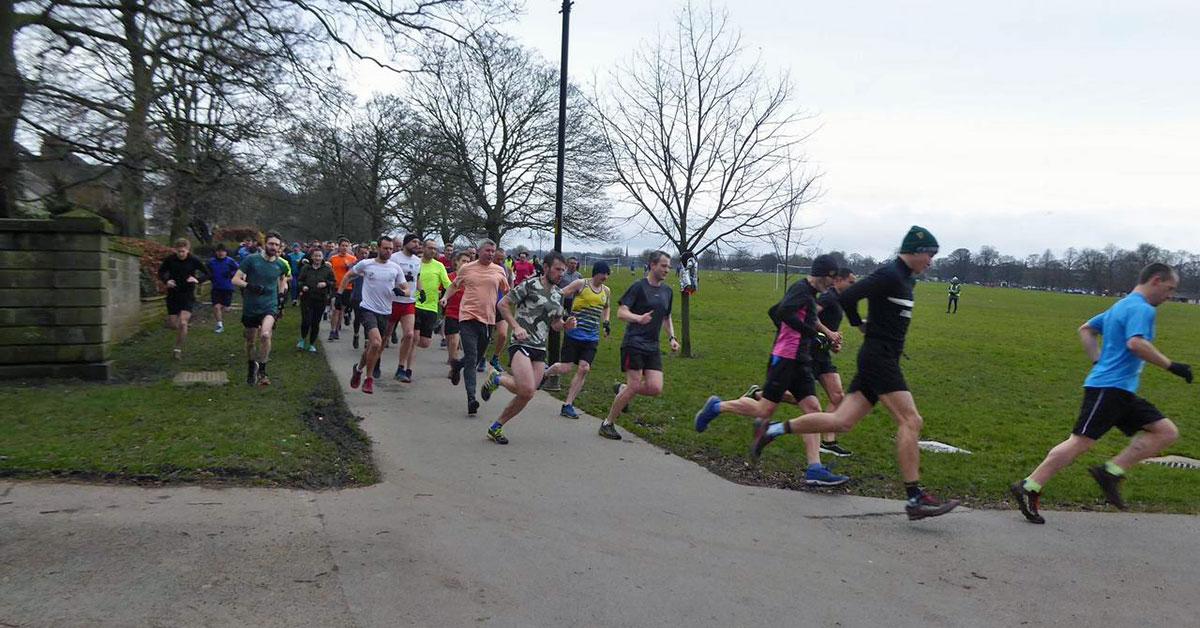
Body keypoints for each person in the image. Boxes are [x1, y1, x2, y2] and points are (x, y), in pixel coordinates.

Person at [749, 226, 960, 521]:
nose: (932, 261)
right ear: (913, 250)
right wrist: (859, 324)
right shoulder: (889, 274)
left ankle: (774, 430)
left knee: (841, 421)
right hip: (879, 360)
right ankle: (914, 497)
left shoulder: (906, 281)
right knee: (911, 420)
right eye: (930, 254)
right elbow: (846, 297)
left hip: (882, 359)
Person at [1010, 263, 1190, 524]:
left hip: (1121, 390)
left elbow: (1086, 328)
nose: (1170, 295)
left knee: (1165, 432)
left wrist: (1097, 360)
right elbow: (1136, 343)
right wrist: (1172, 366)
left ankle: (1111, 472)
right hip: (1108, 388)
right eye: (1169, 288)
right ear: (1156, 280)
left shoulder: (1121, 306)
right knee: (1080, 441)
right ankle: (1029, 485)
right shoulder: (1141, 308)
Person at [693, 255, 849, 487]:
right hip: (785, 359)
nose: (833, 282)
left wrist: (816, 338)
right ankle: (716, 407)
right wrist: (806, 332)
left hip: (802, 360)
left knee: (812, 410)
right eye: (832, 277)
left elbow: (777, 311)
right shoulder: (801, 290)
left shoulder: (811, 295)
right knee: (763, 409)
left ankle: (814, 468)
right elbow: (781, 312)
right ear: (823, 274)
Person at [480, 252, 576, 444]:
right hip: (521, 343)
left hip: (540, 348)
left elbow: (555, 324)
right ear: (546, 268)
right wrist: (516, 327)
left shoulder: (559, 294)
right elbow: (503, 304)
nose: (561, 274)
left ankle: (496, 424)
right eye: (557, 269)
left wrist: (566, 325)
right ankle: (498, 380)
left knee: (528, 393)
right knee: (526, 388)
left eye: (563, 271)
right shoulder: (530, 285)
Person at [603, 251, 681, 441]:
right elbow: (621, 313)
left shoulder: (667, 291)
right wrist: (639, 318)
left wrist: (672, 337)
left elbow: (666, 316)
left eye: (669, 266)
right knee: (635, 384)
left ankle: (623, 389)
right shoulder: (638, 287)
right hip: (634, 343)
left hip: (652, 346)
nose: (667, 270)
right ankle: (607, 423)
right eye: (663, 266)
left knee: (655, 388)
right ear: (652, 265)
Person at [441, 239, 510, 416]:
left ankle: (457, 366)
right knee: (472, 357)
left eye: (493, 251)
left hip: (488, 320)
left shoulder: (499, 270)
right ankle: (471, 398)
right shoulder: (467, 268)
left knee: (478, 357)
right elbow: (454, 286)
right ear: (479, 251)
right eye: (487, 250)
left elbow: (507, 291)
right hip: (467, 317)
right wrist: (446, 298)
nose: (491, 254)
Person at [340, 236, 408, 395]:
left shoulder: (395, 268)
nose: (388, 251)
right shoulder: (366, 264)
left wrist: (402, 292)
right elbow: (348, 275)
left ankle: (358, 369)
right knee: (376, 343)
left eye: (391, 249)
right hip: (367, 309)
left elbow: (407, 288)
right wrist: (340, 294)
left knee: (373, 347)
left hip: (386, 311)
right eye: (385, 248)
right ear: (378, 248)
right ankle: (368, 379)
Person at [544, 261, 612, 419]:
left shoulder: (606, 291)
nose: (606, 277)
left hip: (592, 337)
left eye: (608, 275)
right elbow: (559, 294)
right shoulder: (582, 284)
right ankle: (545, 374)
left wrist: (606, 322)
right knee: (566, 368)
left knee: (584, 368)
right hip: (574, 334)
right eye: (604, 274)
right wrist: (563, 315)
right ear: (597, 272)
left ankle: (568, 405)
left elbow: (607, 307)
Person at [232, 232, 290, 386]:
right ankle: (252, 367)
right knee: (251, 341)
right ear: (265, 244)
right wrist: (250, 286)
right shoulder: (251, 260)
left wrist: (282, 298)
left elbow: (283, 281)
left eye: (277, 245)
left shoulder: (281, 264)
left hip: (269, 306)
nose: (274, 247)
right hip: (251, 306)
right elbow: (235, 279)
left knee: (265, 335)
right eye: (271, 244)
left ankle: (263, 370)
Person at [815, 267, 857, 457]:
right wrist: (828, 333)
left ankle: (828, 442)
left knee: (837, 396)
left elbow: (828, 330)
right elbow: (809, 315)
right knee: (794, 396)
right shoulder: (828, 297)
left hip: (823, 353)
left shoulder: (838, 300)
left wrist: (833, 344)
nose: (853, 286)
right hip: (808, 352)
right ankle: (759, 395)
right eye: (851, 282)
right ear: (839, 280)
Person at [157, 237, 207, 360]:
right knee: (174, 324)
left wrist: (197, 280)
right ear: (175, 250)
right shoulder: (170, 260)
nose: (180, 254)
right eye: (178, 251)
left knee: (183, 323)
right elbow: (160, 272)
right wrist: (166, 280)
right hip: (173, 294)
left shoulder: (194, 260)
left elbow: (208, 273)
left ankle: (177, 349)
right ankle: (180, 331)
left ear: (187, 250)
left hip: (187, 295)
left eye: (183, 251)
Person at [385, 234, 422, 382]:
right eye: (414, 242)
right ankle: (376, 361)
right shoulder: (394, 258)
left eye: (418, 242)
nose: (417, 245)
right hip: (392, 301)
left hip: (409, 302)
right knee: (385, 336)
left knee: (409, 335)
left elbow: (418, 278)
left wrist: (421, 290)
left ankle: (401, 368)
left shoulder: (418, 261)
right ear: (406, 243)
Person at [415, 238, 453, 358]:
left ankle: (407, 344)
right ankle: (406, 362)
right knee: (414, 337)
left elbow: (448, 284)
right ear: (423, 248)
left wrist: (447, 296)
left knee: (425, 343)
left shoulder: (439, 266)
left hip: (431, 307)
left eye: (435, 249)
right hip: (414, 304)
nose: (433, 251)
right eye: (430, 248)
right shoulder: (416, 263)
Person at [296, 247, 335, 353]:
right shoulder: (306, 268)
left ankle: (312, 344)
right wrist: (303, 286)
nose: (317, 258)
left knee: (315, 322)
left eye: (319, 256)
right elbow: (299, 281)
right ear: (312, 257)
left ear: (323, 257)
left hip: (320, 299)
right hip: (307, 298)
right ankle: (302, 340)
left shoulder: (327, 269)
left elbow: (333, 282)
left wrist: (326, 283)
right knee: (306, 321)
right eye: (315, 256)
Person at [442, 251, 472, 384]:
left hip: (466, 313)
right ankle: (452, 359)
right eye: (463, 261)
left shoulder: (471, 279)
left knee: (456, 340)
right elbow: (441, 290)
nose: (466, 264)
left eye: (468, 261)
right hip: (451, 312)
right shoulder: (449, 277)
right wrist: (442, 298)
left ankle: (454, 369)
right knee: (451, 340)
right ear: (457, 262)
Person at [486, 246, 516, 373]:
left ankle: (495, 358)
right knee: (486, 336)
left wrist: (510, 297)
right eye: (497, 259)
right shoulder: (486, 268)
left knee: (503, 334)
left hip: (500, 305)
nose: (499, 261)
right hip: (487, 305)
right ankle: (482, 358)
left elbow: (511, 283)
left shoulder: (506, 269)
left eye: (502, 259)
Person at [327, 237, 357, 341]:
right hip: (336, 286)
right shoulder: (333, 258)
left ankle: (337, 328)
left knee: (342, 310)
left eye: (346, 246)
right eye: (342, 245)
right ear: (338, 247)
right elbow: (328, 270)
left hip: (347, 287)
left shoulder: (353, 259)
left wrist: (349, 267)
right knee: (335, 308)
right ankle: (332, 330)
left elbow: (355, 274)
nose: (344, 248)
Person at [207, 244, 239, 334]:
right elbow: (206, 271)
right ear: (216, 252)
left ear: (226, 252)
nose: (221, 253)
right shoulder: (211, 262)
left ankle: (224, 309)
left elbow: (239, 269)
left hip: (227, 288)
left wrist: (231, 273)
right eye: (219, 251)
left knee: (226, 308)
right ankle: (219, 324)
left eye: (223, 251)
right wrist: (209, 277)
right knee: (216, 307)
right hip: (216, 287)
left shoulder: (230, 261)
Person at [349, 244, 370, 350]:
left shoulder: (372, 265)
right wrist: (358, 274)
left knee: (367, 319)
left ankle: (367, 340)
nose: (364, 255)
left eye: (366, 253)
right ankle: (356, 335)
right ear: (357, 254)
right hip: (357, 296)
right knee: (357, 318)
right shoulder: (353, 265)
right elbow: (349, 278)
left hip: (368, 298)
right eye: (361, 253)